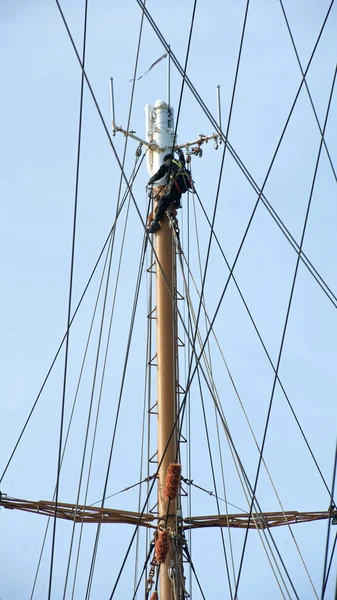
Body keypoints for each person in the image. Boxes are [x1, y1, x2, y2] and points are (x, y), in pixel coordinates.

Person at [146, 149, 189, 234]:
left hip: (175, 185)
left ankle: (156, 223)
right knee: (176, 191)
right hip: (184, 185)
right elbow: (182, 158)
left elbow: (159, 174)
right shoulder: (180, 163)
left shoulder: (167, 163)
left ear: (166, 160)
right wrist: (180, 152)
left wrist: (151, 180)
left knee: (163, 201)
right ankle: (177, 202)